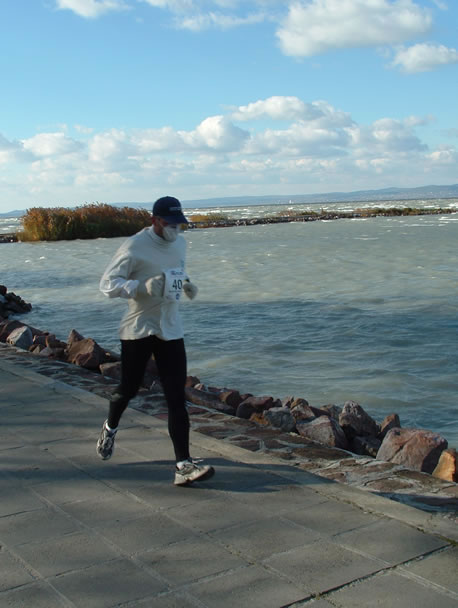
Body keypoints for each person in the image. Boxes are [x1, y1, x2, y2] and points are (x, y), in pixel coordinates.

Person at [96, 196, 214, 486]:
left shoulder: (180, 244)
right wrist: (141, 287)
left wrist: (187, 283)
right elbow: (107, 285)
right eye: (170, 223)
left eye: (179, 224)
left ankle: (183, 465)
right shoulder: (134, 247)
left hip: (170, 328)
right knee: (128, 389)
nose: (175, 229)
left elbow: (177, 270)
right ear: (155, 221)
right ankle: (110, 427)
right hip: (139, 328)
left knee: (176, 396)